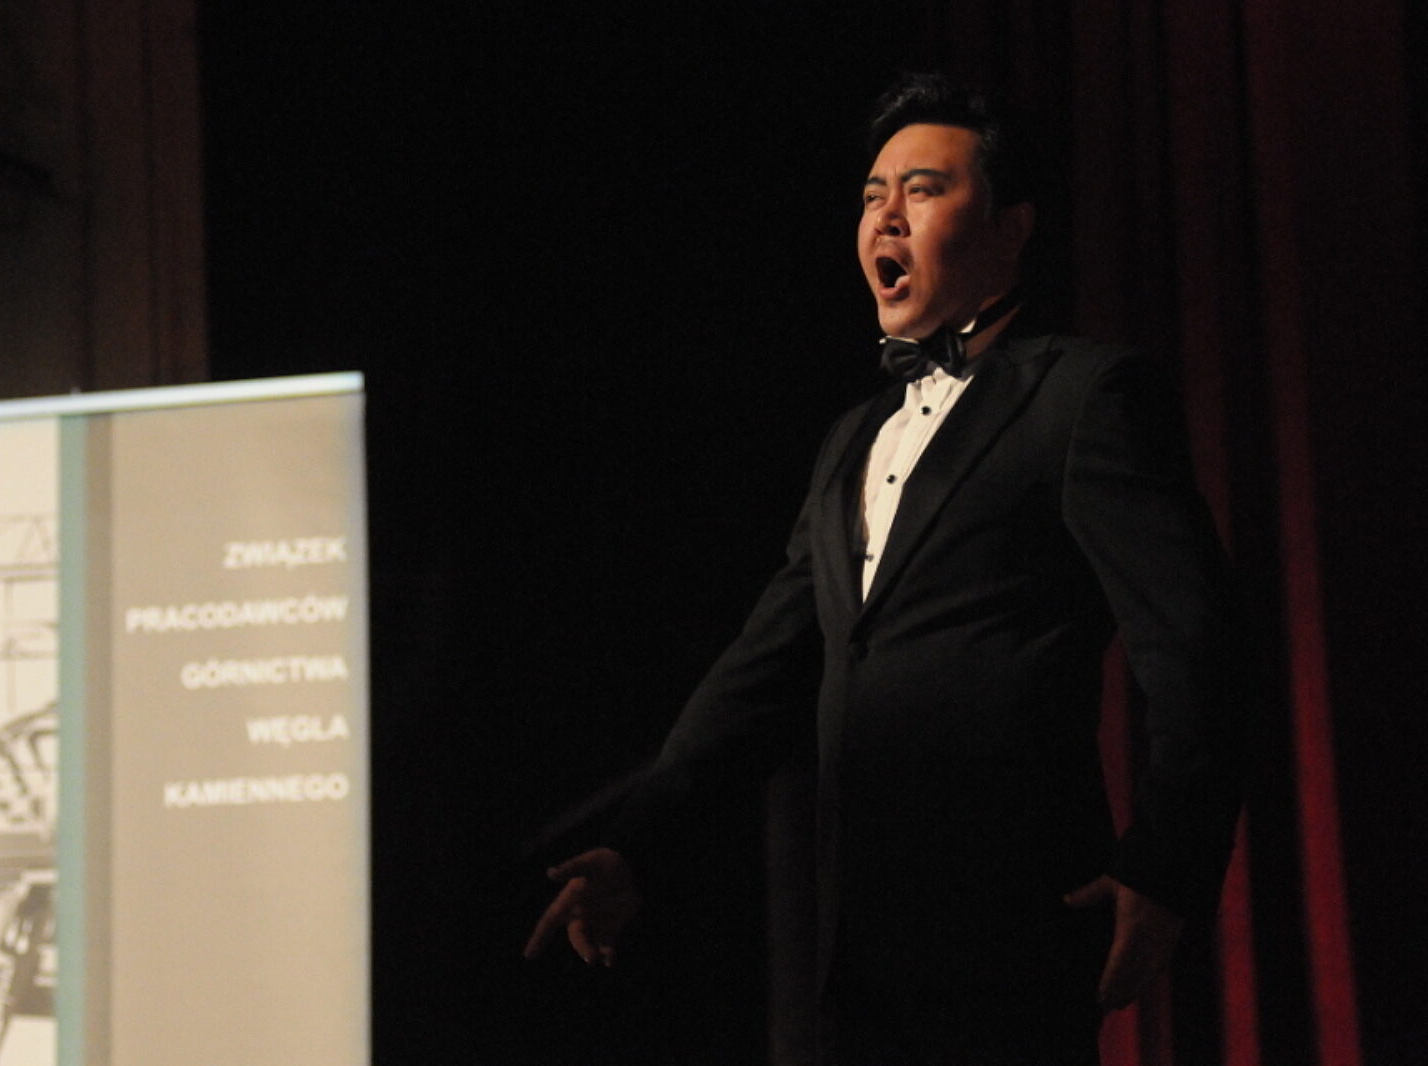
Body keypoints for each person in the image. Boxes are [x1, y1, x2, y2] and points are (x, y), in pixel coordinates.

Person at [525, 72, 1241, 1065]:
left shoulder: (1083, 398)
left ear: (1010, 227)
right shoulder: (851, 441)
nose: (886, 216)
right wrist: (637, 840)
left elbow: (1196, 648)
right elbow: (761, 672)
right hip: (857, 956)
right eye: (872, 196)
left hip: (1010, 936)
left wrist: (1164, 864)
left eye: (923, 189)